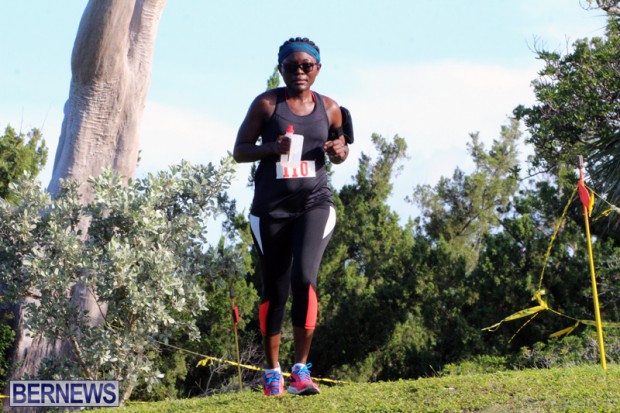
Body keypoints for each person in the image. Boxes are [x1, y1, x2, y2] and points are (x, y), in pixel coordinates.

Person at [233, 37, 349, 396]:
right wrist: (273, 147)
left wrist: (339, 150)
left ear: (318, 68)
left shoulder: (330, 108)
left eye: (306, 66)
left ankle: (301, 370)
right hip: (271, 211)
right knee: (276, 288)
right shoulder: (267, 105)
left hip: (315, 204)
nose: (299, 72)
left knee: (304, 279)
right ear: (280, 68)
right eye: (291, 66)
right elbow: (240, 151)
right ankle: (272, 373)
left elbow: (342, 146)